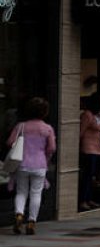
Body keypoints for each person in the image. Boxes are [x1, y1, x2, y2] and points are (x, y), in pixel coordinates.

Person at [8, 97, 56, 235]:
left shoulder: (21, 126)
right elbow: (52, 148)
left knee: (21, 192)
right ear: (45, 112)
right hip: (40, 164)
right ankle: (31, 222)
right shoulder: (47, 128)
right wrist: (44, 154)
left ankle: (18, 215)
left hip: (22, 163)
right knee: (36, 193)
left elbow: (10, 142)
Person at [79, 91, 100, 210]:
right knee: (87, 175)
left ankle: (89, 199)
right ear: (98, 101)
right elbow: (80, 131)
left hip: (98, 149)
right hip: (88, 149)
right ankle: (82, 200)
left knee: (93, 176)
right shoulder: (87, 115)